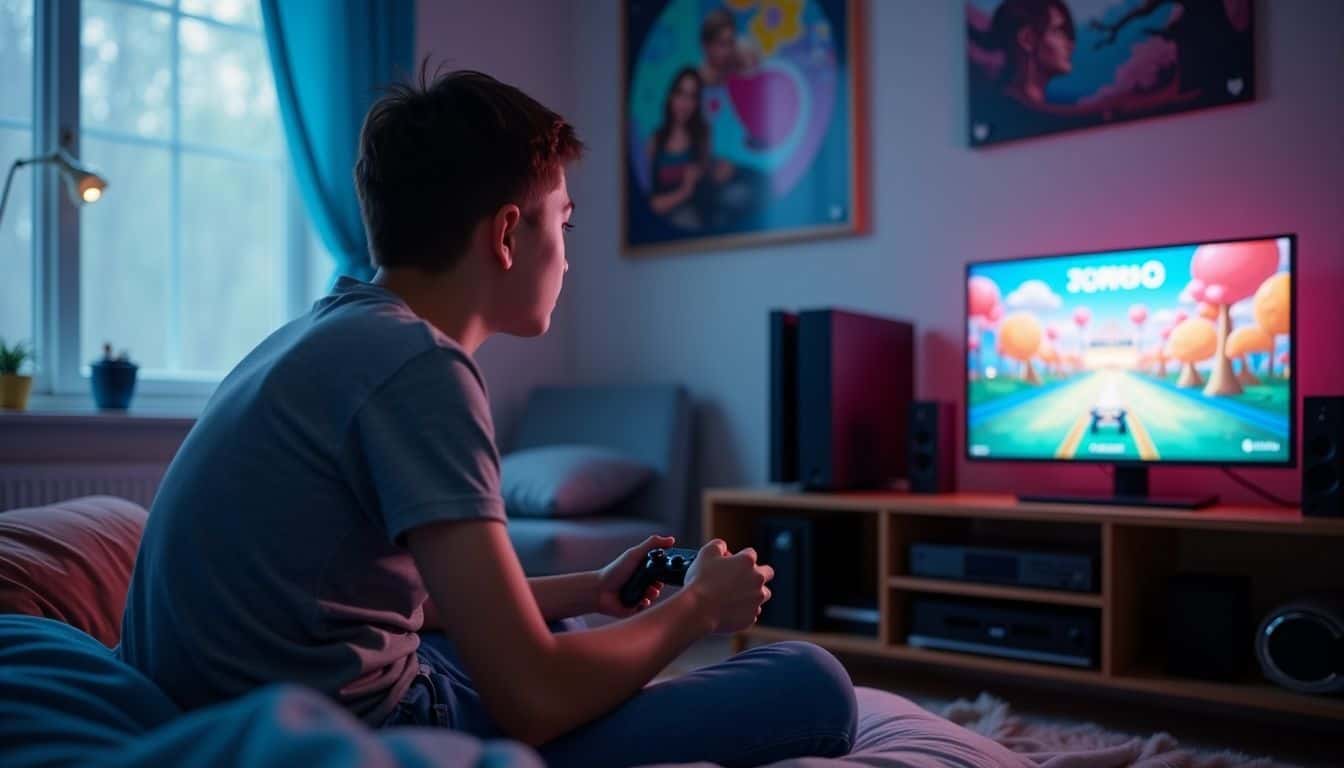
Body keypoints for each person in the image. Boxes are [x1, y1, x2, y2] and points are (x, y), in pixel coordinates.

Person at [117, 68, 856, 768]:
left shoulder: (326, 331)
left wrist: (592, 587)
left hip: (219, 701)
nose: (567, 260)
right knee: (810, 681)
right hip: (348, 724)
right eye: (563, 224)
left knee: (561, 631)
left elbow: (411, 602)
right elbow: (530, 698)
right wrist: (696, 610)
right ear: (507, 235)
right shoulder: (420, 367)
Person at [647, 67, 711, 230]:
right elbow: (652, 203)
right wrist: (684, 192)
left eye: (691, 97)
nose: (685, 103)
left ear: (697, 103)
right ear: (671, 96)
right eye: (681, 94)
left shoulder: (701, 139)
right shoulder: (655, 141)